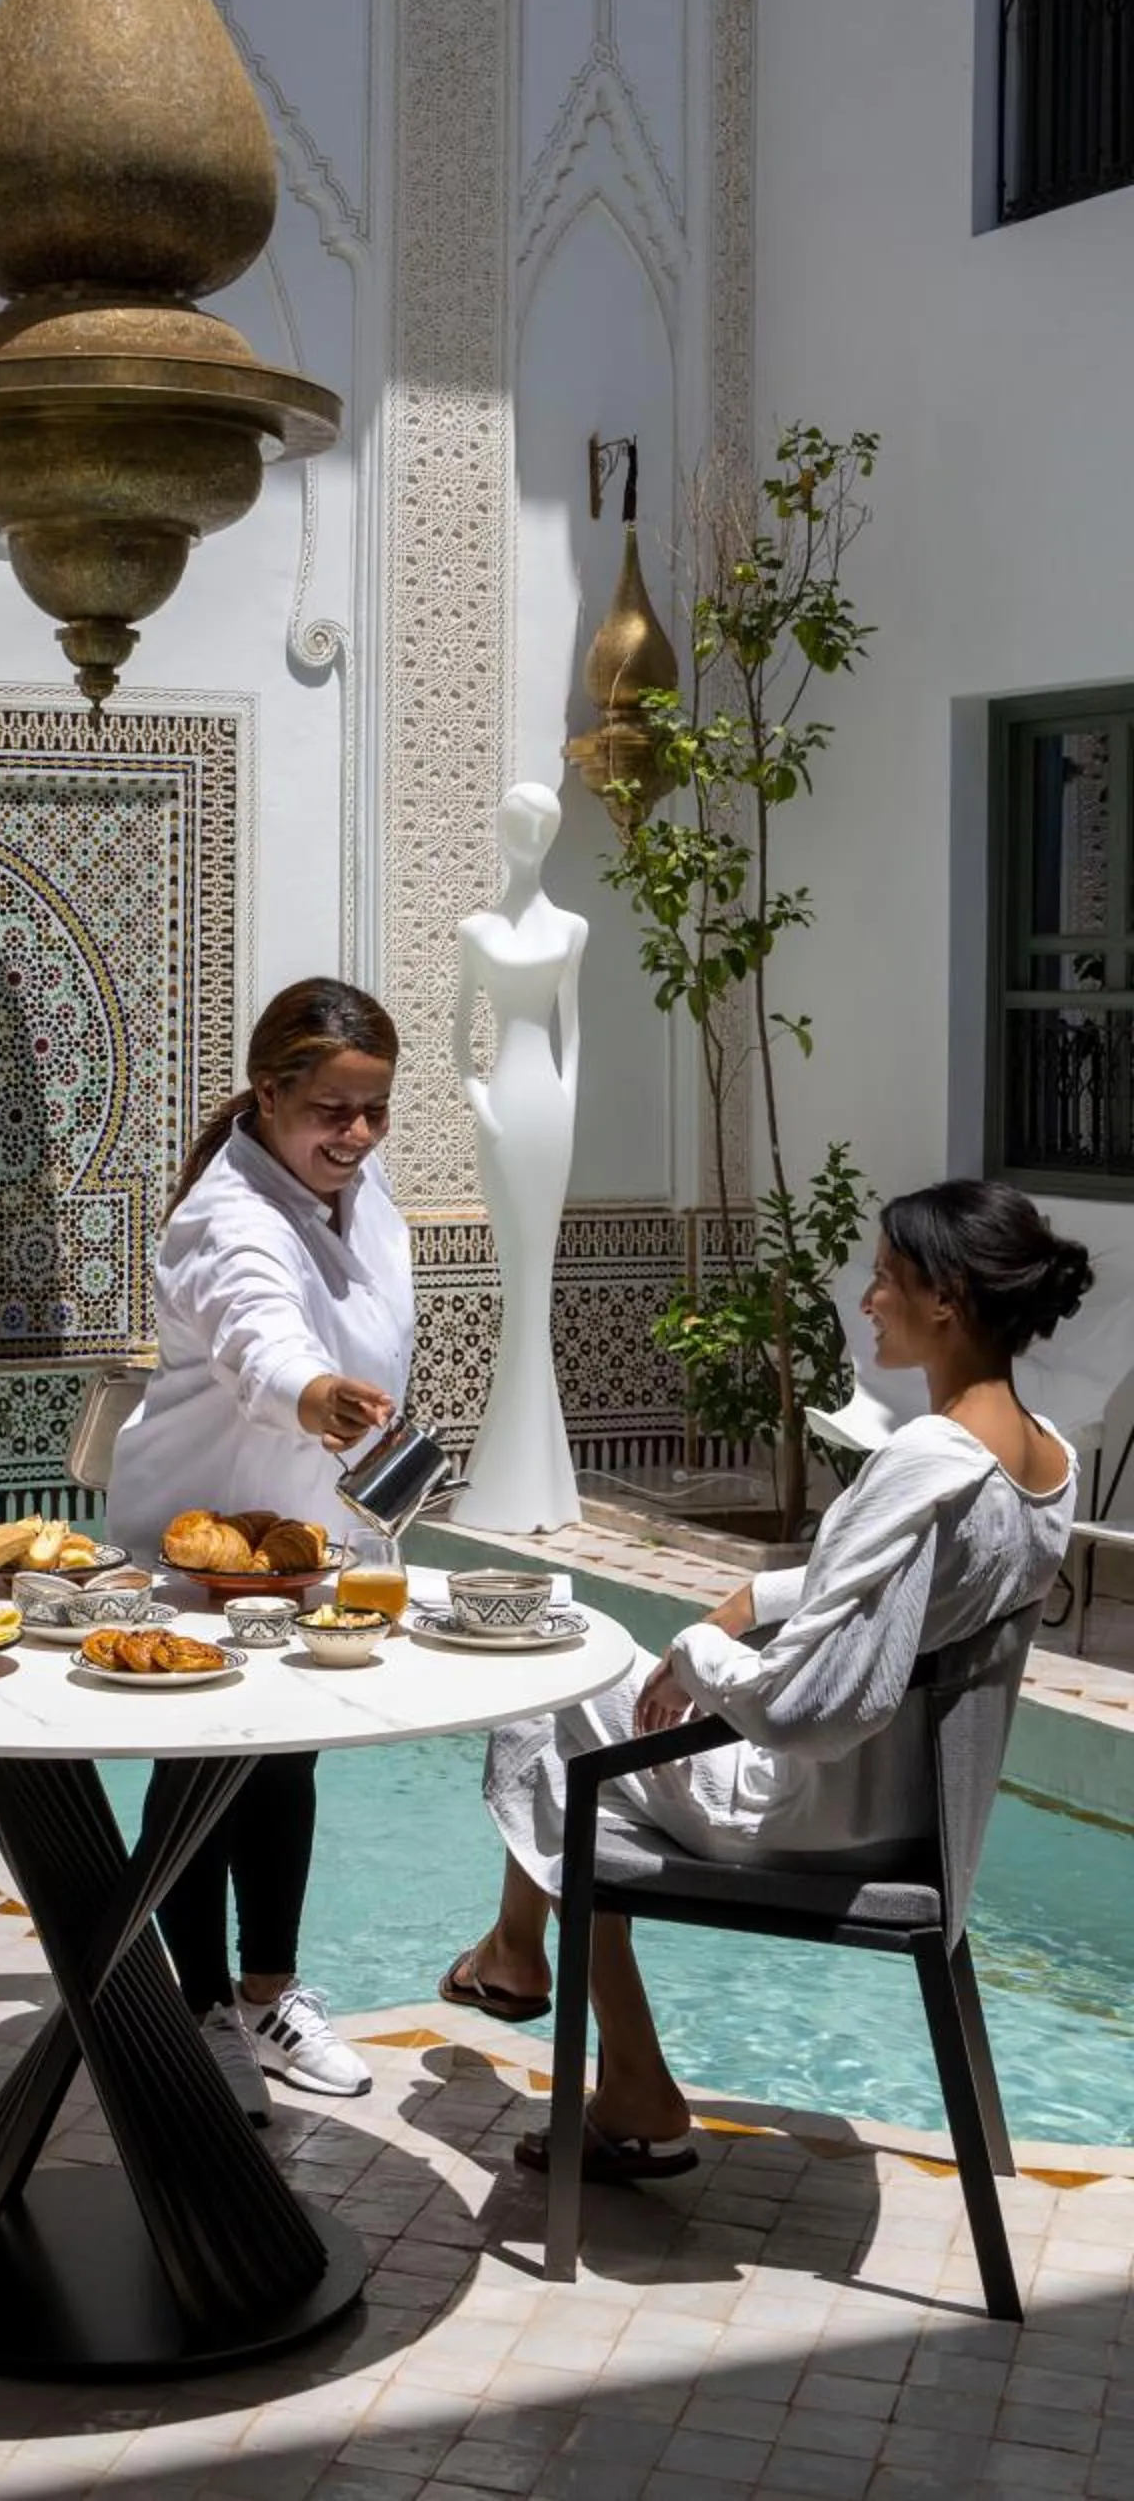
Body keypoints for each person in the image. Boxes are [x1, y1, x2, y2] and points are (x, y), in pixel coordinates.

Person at [441, 1179, 1089, 2181]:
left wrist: (695, 1661)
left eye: (883, 1278)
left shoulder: (925, 1456)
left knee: (555, 1692)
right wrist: (749, 1601)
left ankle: (615, 2067)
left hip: (811, 1818)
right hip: (911, 1813)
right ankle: (516, 1956)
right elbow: (915, 1590)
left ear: (946, 1299)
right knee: (582, 1747)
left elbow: (808, 1711)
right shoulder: (1042, 1459)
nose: (865, 1299)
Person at [108, 977, 414, 2117]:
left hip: (298, 1541)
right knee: (198, 1770)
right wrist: (313, 1391)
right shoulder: (222, 1214)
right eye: (332, 1111)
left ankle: (269, 1994)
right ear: (268, 1094)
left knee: (285, 1761)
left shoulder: (353, 1179)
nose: (356, 1134)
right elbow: (257, 1330)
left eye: (374, 1109)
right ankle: (195, 2018)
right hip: (190, 1547)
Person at [454, 780, 586, 1530]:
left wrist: (570, 1105)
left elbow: (576, 1036)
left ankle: (536, 1481)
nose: (524, 841)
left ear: (552, 835)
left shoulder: (572, 929)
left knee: (539, 1279)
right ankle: (512, 1477)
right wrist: (479, 1101)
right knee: (519, 1280)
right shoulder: (476, 931)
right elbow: (459, 1040)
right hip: (504, 1104)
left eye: (537, 829)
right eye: (515, 827)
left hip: (549, 1110)